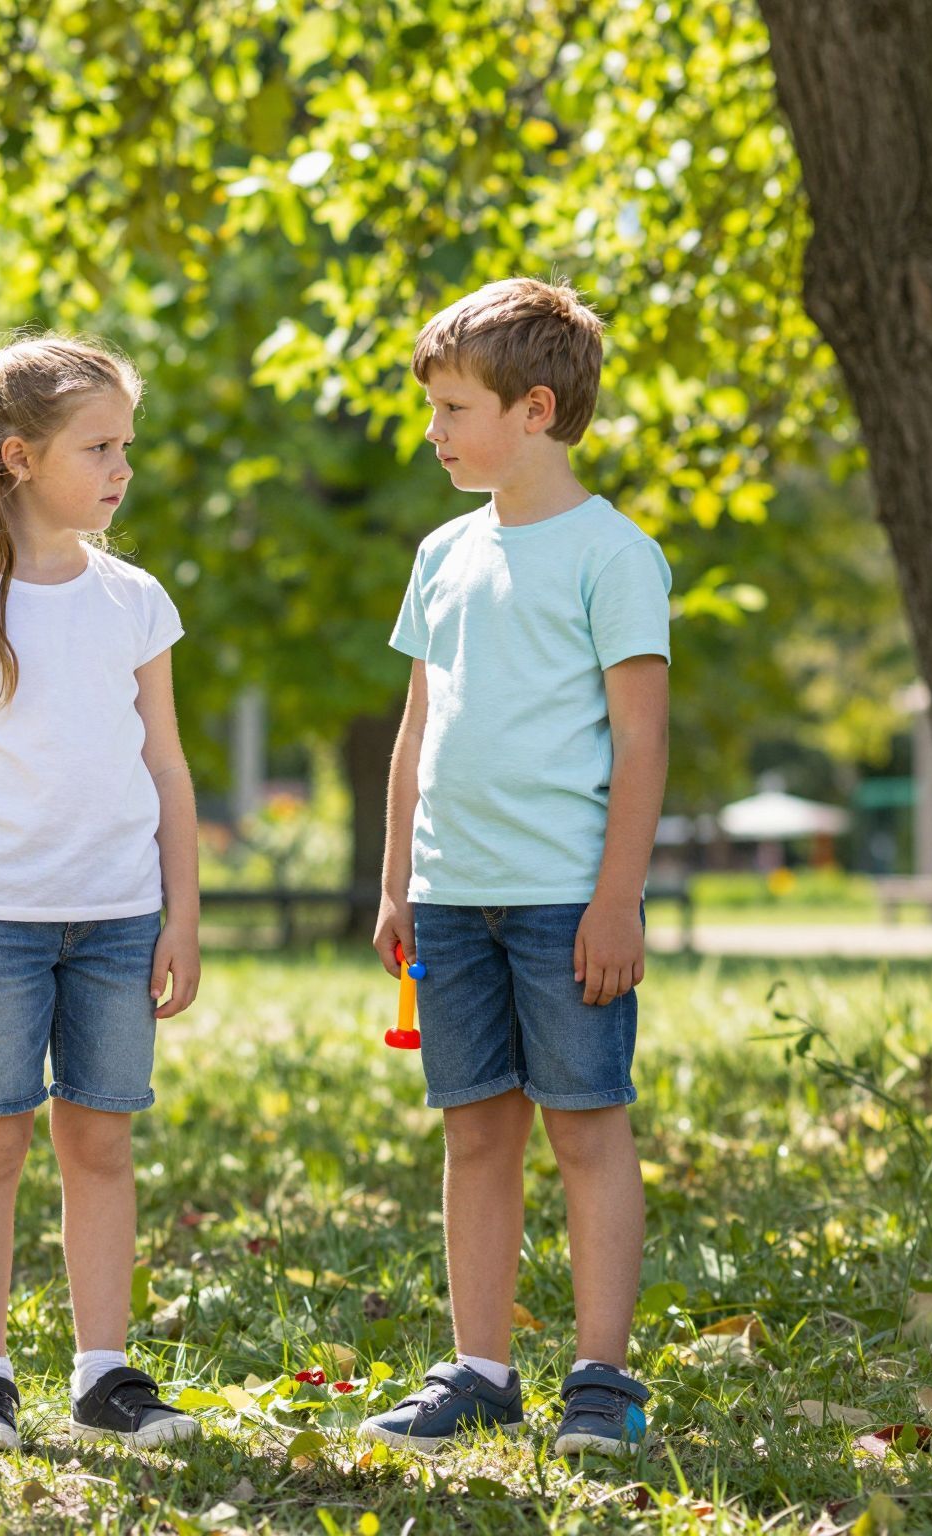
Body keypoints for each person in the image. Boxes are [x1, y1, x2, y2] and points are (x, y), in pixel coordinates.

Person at [364, 278, 672, 1458]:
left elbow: (640, 737)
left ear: (534, 409)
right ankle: (479, 1370)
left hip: (563, 903)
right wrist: (397, 881)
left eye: (451, 409)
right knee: (473, 1131)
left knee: (584, 1127)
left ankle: (599, 1377)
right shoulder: (441, 553)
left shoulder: (613, 554)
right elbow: (415, 730)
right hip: (450, 898)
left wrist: (614, 899)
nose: (433, 432)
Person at [0, 336, 202, 1455]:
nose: (123, 469)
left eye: (126, 445)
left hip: (118, 924)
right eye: (100, 447)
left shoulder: (135, 600)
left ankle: (105, 1373)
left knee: (101, 1144)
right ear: (18, 456)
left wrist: (182, 913)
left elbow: (165, 766)